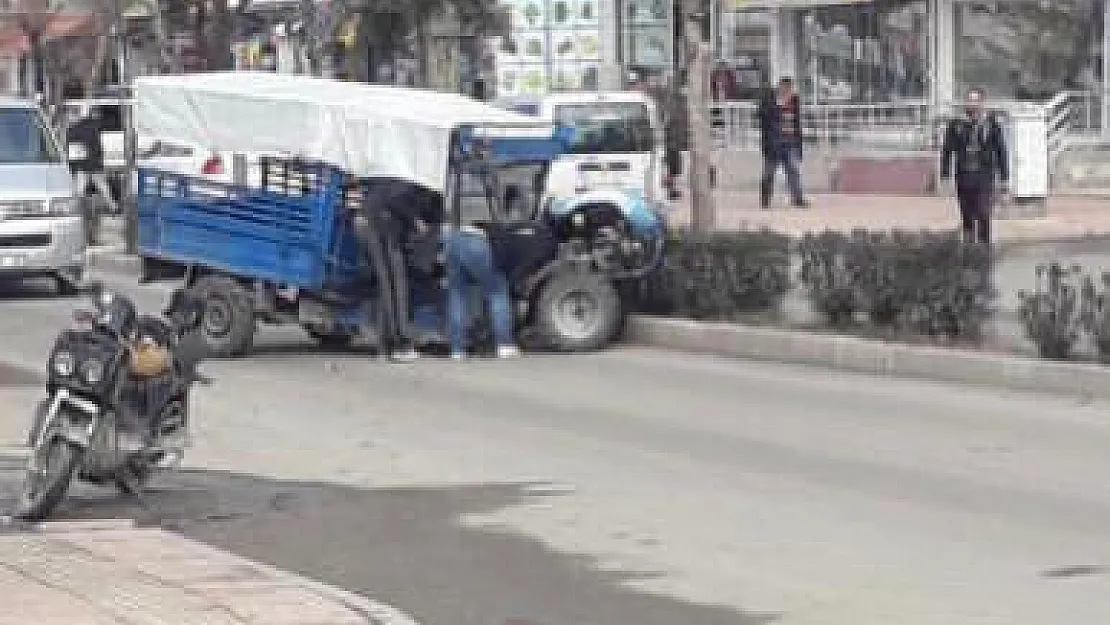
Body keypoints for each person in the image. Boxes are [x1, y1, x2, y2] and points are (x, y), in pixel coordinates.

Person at [362, 179, 441, 362]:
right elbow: (396, 201)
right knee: (396, 287)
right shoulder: (414, 178)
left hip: (374, 223)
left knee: (386, 288)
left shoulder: (398, 173)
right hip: (383, 228)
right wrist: (416, 221)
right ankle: (401, 344)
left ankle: (384, 347)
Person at [940, 87, 1009, 245]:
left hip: (984, 176)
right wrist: (945, 175)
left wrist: (1005, 179)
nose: (972, 104)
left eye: (975, 100)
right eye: (969, 100)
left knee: (983, 213)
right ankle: (970, 251)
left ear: (982, 103)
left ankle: (984, 248)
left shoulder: (991, 125)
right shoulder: (956, 124)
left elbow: (1001, 152)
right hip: (963, 176)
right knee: (967, 216)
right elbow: (947, 150)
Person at [444, 224, 520, 360]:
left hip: (454, 238)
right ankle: (505, 345)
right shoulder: (524, 241)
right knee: (498, 293)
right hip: (479, 241)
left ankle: (457, 349)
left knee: (457, 296)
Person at [66, 106, 117, 244]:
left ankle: (77, 207)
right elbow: (98, 147)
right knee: (102, 186)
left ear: (74, 115)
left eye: (69, 115)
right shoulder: (93, 126)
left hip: (82, 165)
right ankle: (112, 206)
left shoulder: (73, 129)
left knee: (80, 189)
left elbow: (73, 152)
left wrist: (73, 167)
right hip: (94, 163)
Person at [757, 77, 808, 209]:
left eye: (790, 88)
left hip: (790, 141)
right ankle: (765, 200)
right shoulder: (769, 99)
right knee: (768, 173)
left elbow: (797, 123)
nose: (788, 91)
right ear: (779, 87)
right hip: (773, 143)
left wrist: (799, 145)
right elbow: (761, 114)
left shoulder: (795, 100)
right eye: (785, 88)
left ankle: (798, 199)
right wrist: (777, 105)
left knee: (793, 171)